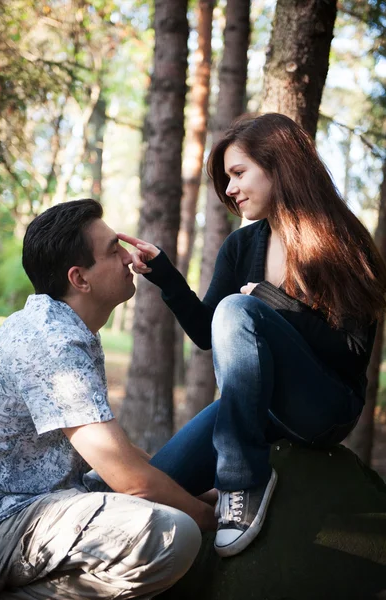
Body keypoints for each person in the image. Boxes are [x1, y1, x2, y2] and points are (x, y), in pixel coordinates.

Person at [119, 112, 386, 559]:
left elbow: (352, 353)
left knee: (240, 306)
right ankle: (218, 490)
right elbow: (211, 333)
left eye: (239, 173)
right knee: (156, 486)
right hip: (257, 408)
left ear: (279, 166)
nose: (229, 189)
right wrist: (166, 276)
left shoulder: (344, 241)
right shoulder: (242, 246)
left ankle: (243, 481)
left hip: (326, 407)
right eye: (227, 178)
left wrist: (270, 302)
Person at [0, 199, 216, 600]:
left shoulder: (67, 327)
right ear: (80, 278)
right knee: (172, 536)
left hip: (43, 498)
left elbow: (119, 455)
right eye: (113, 250)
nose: (128, 258)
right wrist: (207, 518)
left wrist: (193, 493)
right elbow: (132, 482)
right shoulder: (51, 342)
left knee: (176, 481)